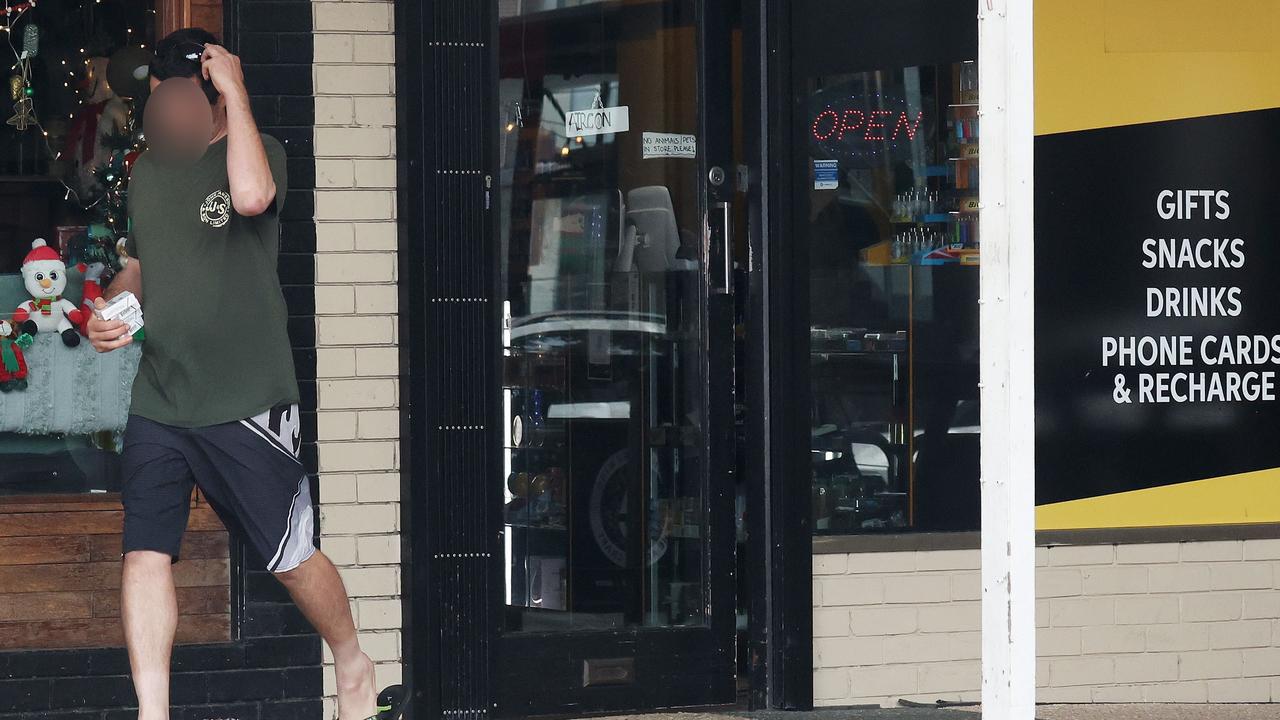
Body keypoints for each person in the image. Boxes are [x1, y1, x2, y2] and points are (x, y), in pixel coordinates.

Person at [87, 28, 397, 720]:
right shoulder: (148, 171)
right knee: (144, 553)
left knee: (290, 558)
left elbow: (252, 198)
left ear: (217, 97)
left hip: (246, 398)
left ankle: (352, 660)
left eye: (186, 102)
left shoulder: (260, 154)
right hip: (162, 393)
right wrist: (110, 306)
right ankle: (153, 713)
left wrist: (236, 91)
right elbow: (143, 262)